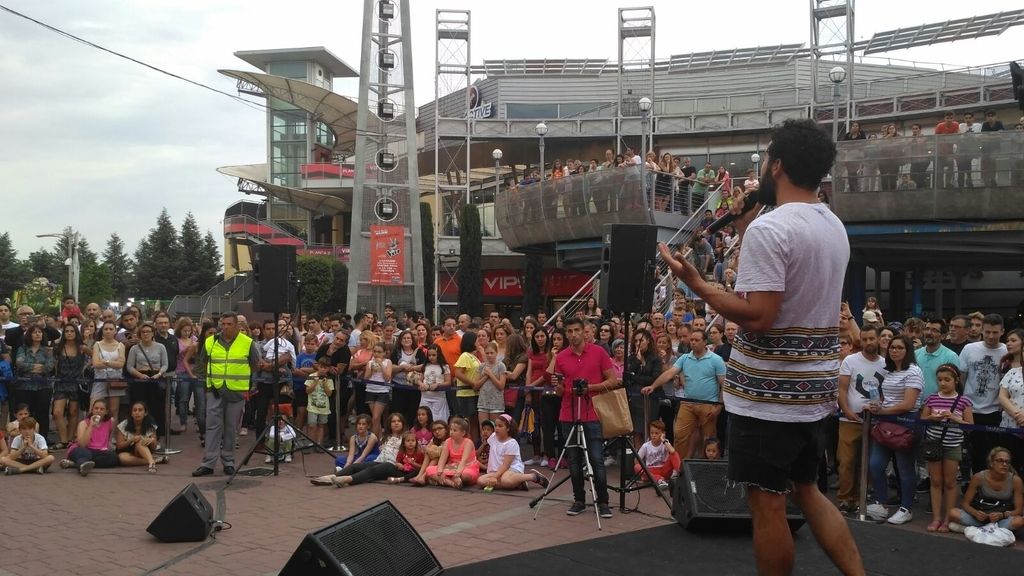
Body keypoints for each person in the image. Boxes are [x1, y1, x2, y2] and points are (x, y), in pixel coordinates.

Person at [657, 119, 863, 574]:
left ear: (778, 165)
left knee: (767, 505)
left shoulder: (772, 230)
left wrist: (699, 284)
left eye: (767, 159)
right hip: (813, 390)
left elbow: (760, 316)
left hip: (769, 396)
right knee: (808, 490)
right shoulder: (834, 225)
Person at [549, 317, 617, 519]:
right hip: (568, 413)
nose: (573, 335)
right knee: (574, 460)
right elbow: (560, 392)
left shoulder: (599, 352)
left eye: (577, 330)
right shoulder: (561, 357)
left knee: (596, 458)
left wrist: (590, 388)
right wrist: (558, 386)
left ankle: (603, 501)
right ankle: (579, 499)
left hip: (592, 412)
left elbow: (613, 380)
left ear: (585, 331)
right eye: (569, 331)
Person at [192, 312, 260, 477]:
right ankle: (208, 463)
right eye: (223, 324)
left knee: (231, 428)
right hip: (215, 391)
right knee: (212, 427)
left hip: (236, 392)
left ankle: (228, 462)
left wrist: (247, 385)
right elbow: (202, 363)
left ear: (237, 326)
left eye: (229, 324)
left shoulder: (248, 343)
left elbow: (254, 364)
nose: (225, 327)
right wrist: (207, 384)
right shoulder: (210, 341)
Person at [865, 334, 924, 524]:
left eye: (899, 347)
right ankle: (881, 503)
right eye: (892, 347)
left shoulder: (914, 371)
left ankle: (906, 508)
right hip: (885, 422)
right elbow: (886, 398)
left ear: (908, 351)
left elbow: (908, 404)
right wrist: (875, 406)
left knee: (905, 468)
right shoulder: (888, 372)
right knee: (875, 464)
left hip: (906, 423)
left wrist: (882, 410)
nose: (895, 350)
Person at [921, 364, 973, 532]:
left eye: (947, 380)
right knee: (935, 481)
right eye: (940, 380)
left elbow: (970, 426)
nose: (943, 383)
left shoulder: (964, 401)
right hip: (933, 443)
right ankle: (936, 518)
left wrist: (955, 419)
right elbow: (922, 420)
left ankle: (947, 518)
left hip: (953, 444)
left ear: (956, 380)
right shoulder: (931, 398)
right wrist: (932, 417)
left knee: (950, 482)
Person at [312, 413, 407, 487]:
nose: (396, 423)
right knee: (356, 466)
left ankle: (346, 480)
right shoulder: (385, 437)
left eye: (399, 421)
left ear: (403, 424)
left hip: (394, 466)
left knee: (371, 470)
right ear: (389, 424)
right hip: (380, 461)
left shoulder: (406, 437)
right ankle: (330, 477)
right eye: (393, 421)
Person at [947, 447, 1024, 534]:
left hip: (1001, 519)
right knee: (952, 513)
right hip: (979, 517)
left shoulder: (1016, 480)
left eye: (1007, 462)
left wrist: (1002, 515)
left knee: (1019, 521)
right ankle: (992, 531)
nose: (1004, 464)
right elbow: (965, 504)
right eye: (1000, 461)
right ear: (991, 463)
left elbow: (1019, 510)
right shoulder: (979, 477)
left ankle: (969, 530)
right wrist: (976, 513)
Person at [477, 413, 548, 491]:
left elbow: (505, 466)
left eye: (500, 426)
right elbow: (485, 435)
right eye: (496, 426)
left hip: (511, 469)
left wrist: (494, 477)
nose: (497, 428)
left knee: (506, 481)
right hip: (497, 470)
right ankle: (517, 483)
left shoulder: (511, 443)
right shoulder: (493, 437)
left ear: (508, 428)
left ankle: (533, 476)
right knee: (480, 481)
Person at [426, 416, 479, 489]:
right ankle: (451, 483)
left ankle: (447, 480)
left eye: (454, 430)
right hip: (451, 467)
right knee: (429, 469)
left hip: (466, 467)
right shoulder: (448, 441)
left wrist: (458, 473)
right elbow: (442, 459)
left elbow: (464, 461)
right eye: (451, 429)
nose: (451, 432)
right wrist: (440, 472)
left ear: (463, 433)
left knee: (466, 475)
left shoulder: (468, 443)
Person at [116, 401, 167, 472]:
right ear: (131, 413)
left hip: (144, 450)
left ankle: (151, 463)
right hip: (129, 452)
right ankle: (155, 460)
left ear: (145, 413)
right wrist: (131, 440)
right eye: (135, 410)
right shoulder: (123, 425)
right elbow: (119, 446)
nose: (137, 412)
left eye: (140, 410)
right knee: (121, 458)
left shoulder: (150, 425)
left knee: (140, 443)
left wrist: (151, 440)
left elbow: (154, 446)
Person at [634, 420, 680, 490]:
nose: (654, 435)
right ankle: (658, 479)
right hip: (651, 471)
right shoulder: (646, 446)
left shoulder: (665, 442)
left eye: (656, 433)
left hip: (664, 469)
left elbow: (672, 451)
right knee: (636, 467)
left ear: (662, 433)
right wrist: (644, 472)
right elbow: (636, 460)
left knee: (674, 454)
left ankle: (681, 474)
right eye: (652, 433)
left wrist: (663, 440)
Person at [304, 358, 334, 448]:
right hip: (312, 406)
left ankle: (319, 444)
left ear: (328, 369)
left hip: (324, 407)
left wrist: (324, 384)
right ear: (318, 367)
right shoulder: (311, 376)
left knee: (321, 425)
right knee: (311, 425)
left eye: (325, 368)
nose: (323, 369)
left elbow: (329, 394)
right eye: (321, 367)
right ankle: (310, 443)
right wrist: (314, 382)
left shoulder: (329, 379)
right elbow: (307, 391)